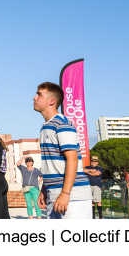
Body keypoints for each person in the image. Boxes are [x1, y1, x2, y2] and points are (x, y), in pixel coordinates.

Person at [33, 81, 92, 219]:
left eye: (39, 95)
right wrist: (44, 188)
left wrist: (65, 193)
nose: (34, 97)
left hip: (72, 197)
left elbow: (72, 159)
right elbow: (53, 164)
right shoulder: (46, 127)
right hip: (55, 194)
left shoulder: (62, 124)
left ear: (52, 101)